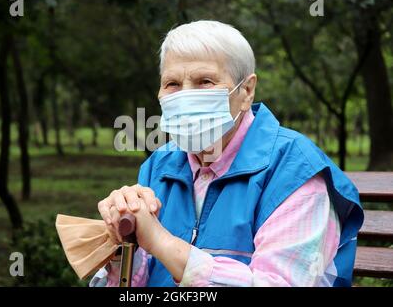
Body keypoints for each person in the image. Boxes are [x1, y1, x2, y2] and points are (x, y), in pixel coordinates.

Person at [91, 20, 363, 287]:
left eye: (205, 81)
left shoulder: (294, 171)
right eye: (172, 84)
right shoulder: (159, 165)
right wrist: (121, 248)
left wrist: (163, 243)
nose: (185, 96)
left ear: (246, 90)